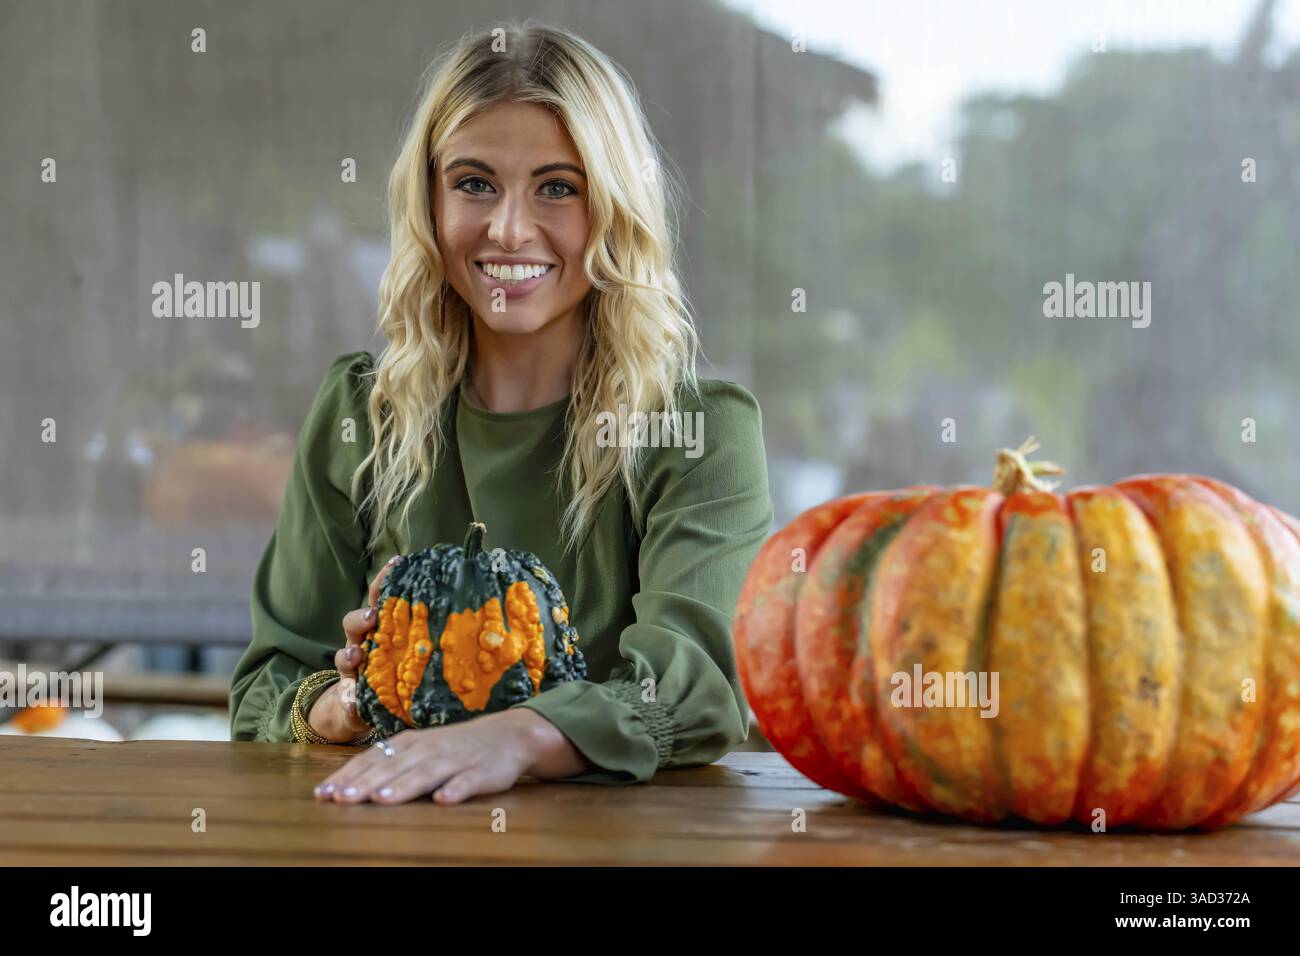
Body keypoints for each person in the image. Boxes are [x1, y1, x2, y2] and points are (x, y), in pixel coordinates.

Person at [228, 19, 773, 806]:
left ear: (615, 206)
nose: (508, 228)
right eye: (474, 183)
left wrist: (517, 738)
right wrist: (346, 702)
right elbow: (267, 683)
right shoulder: (359, 410)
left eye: (558, 187)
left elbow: (695, 690)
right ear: (429, 199)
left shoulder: (699, 434)